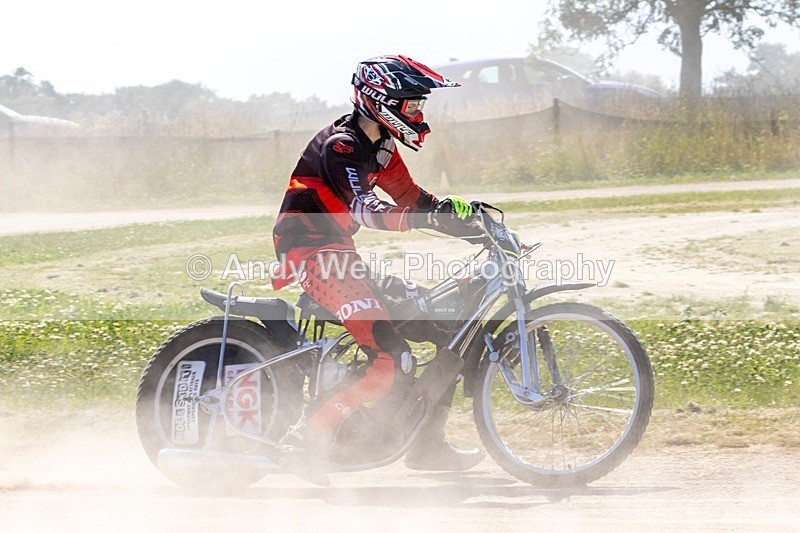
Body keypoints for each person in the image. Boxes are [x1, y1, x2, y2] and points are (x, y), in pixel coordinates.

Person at [271, 55, 484, 471]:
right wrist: (428, 218)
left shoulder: (381, 146)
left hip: (341, 255)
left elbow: (413, 199)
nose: (418, 113)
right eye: (411, 104)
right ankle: (303, 442)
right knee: (391, 358)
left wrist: (473, 225)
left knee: (448, 329)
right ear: (379, 99)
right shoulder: (342, 146)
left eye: (420, 104)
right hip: (311, 254)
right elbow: (366, 209)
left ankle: (425, 447)